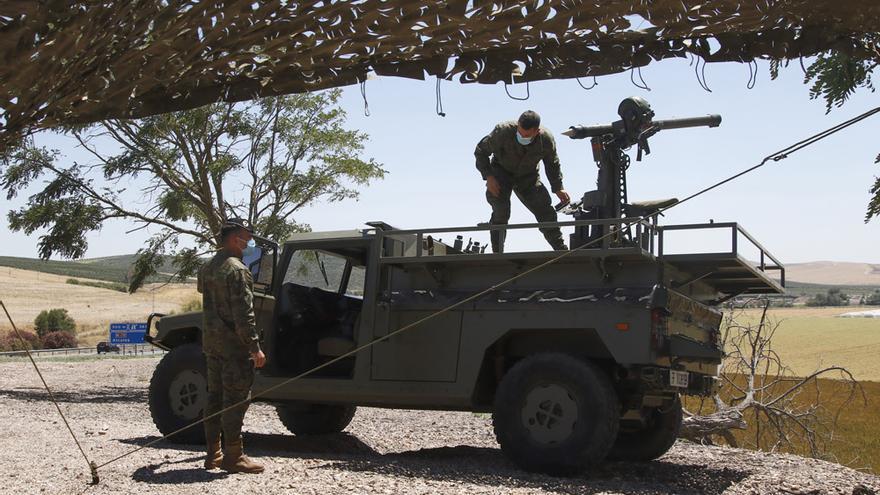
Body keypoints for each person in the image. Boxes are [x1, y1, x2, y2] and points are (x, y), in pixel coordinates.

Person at [197, 220, 267, 474]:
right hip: (233, 347)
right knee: (236, 399)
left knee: (214, 397)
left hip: (212, 344)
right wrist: (254, 347)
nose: (249, 244)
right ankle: (234, 455)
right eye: (246, 239)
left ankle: (213, 454)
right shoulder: (237, 270)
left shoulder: (207, 267)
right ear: (234, 239)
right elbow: (244, 314)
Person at [475, 110, 570, 253]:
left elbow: (552, 163)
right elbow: (481, 151)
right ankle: (497, 253)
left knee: (544, 210)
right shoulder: (503, 131)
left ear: (536, 131)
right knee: (501, 210)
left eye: (527, 135)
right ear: (518, 125)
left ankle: (561, 251)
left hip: (528, 177)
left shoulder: (545, 140)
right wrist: (489, 177)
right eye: (520, 132)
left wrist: (558, 187)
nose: (522, 137)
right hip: (501, 173)